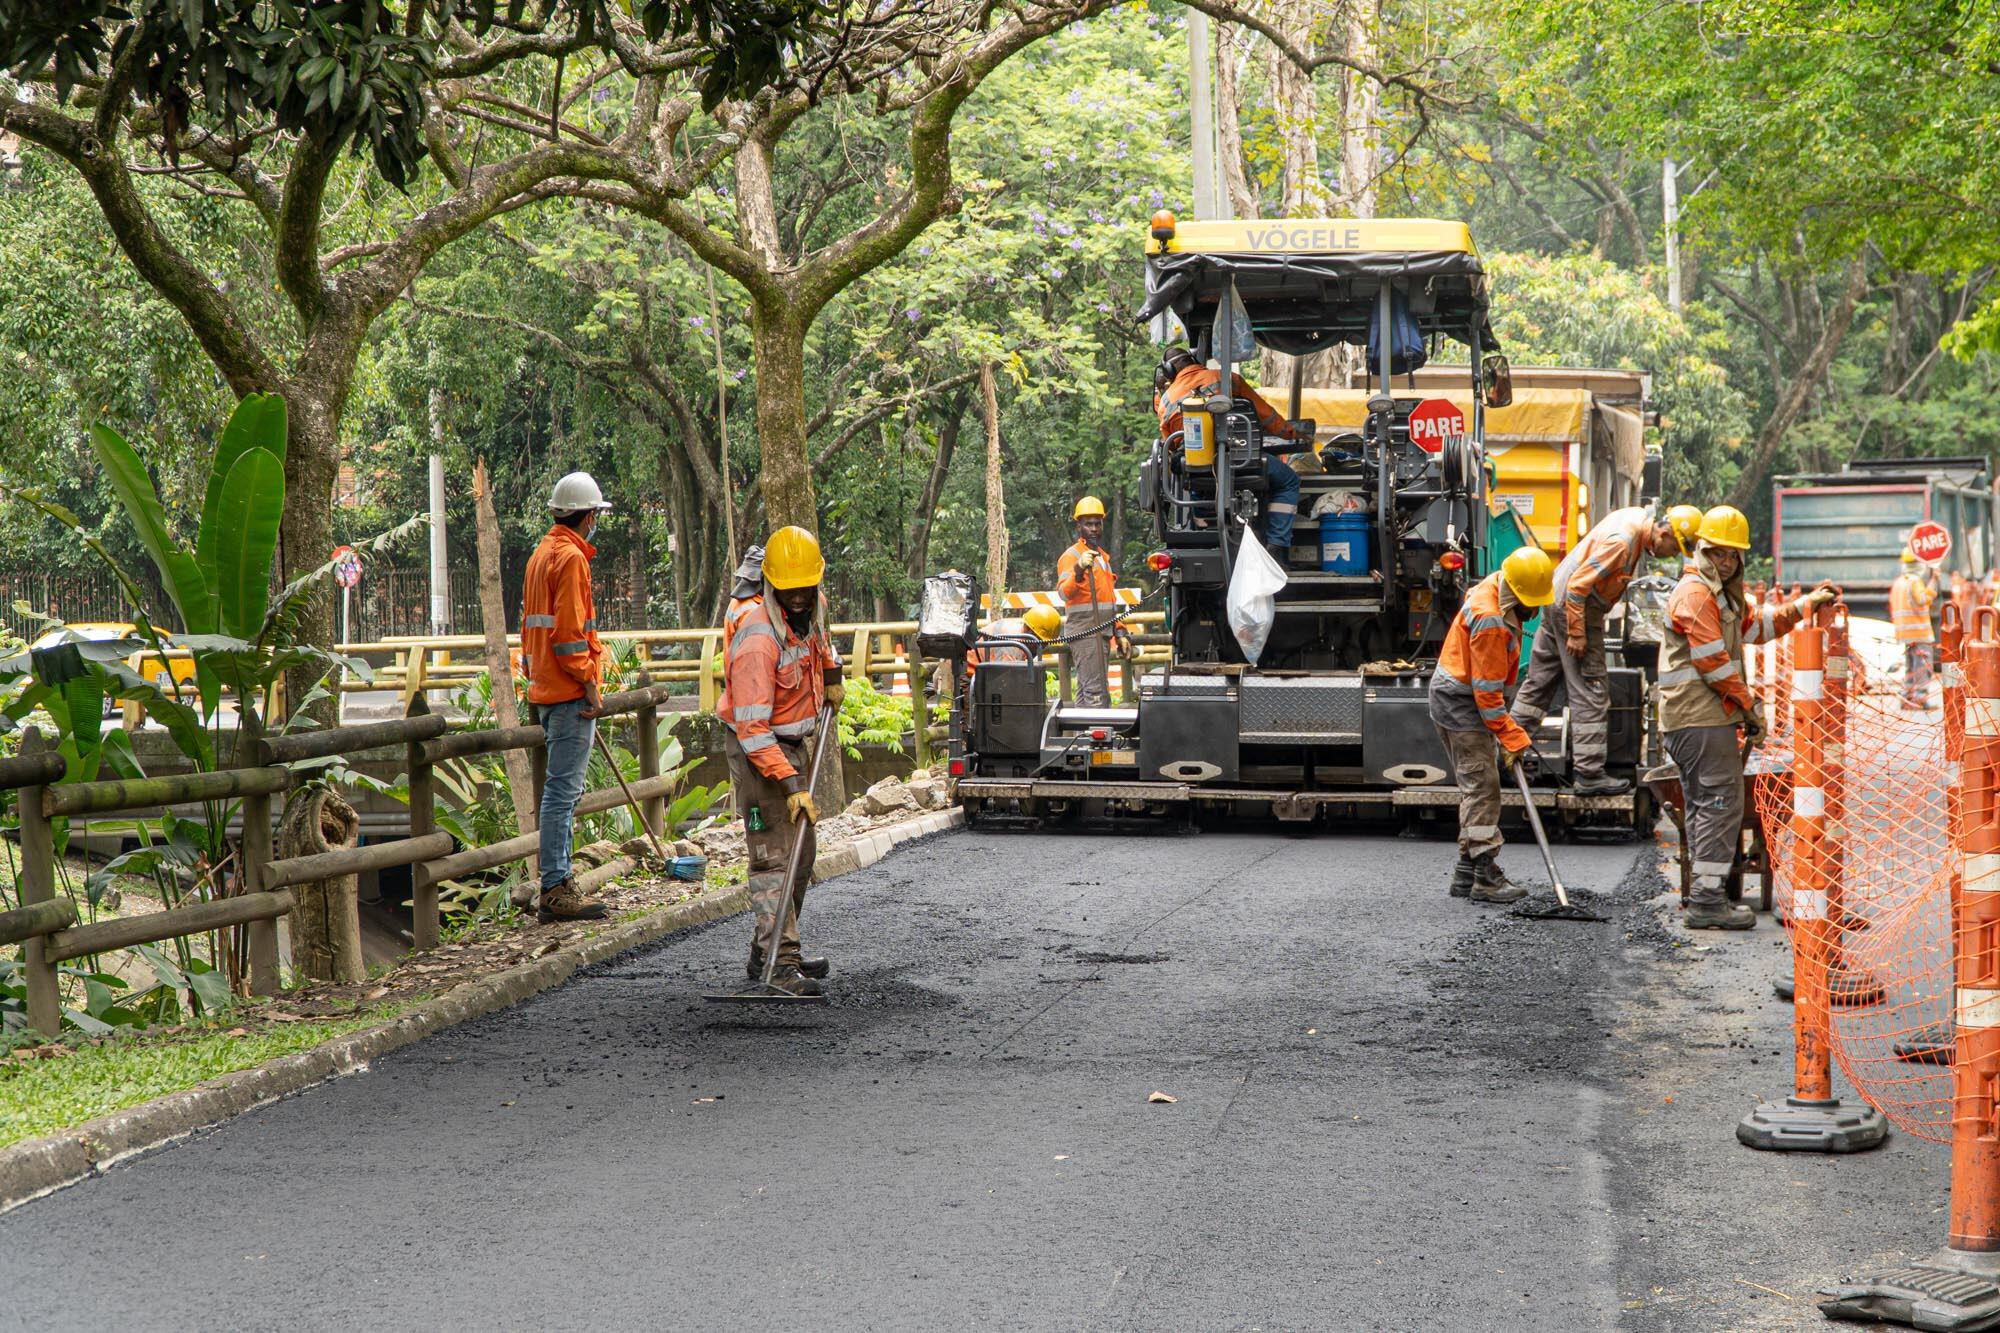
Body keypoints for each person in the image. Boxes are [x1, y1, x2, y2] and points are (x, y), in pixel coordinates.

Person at [1660, 504, 1836, 930]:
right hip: (1697, 717)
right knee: (1720, 805)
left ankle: (1707, 893)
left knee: (1708, 805)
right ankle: (1707, 902)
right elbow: (1713, 663)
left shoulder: (1721, 597)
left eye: (1731, 555)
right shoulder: (1696, 594)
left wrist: (1805, 605)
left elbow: (1758, 628)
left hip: (1702, 717)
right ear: (1702, 549)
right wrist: (1749, 705)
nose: (1724, 561)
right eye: (1717, 553)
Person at [717, 526, 844, 996]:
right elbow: (752, 731)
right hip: (757, 754)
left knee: (803, 854)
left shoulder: (813, 603)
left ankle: (765, 950)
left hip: (792, 743)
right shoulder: (756, 639)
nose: (798, 600)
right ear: (771, 584)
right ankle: (780, 965)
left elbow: (822, 639)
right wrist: (791, 785)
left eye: (805, 590)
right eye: (788, 592)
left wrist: (831, 673)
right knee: (774, 856)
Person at [1511, 504, 1705, 795]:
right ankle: (1589, 774)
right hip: (1575, 608)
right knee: (1590, 690)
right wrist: (1577, 632)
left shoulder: (1636, 519)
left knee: (1538, 685)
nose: (1673, 555)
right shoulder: (1622, 544)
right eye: (1675, 548)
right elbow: (1578, 587)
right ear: (1664, 533)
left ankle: (1504, 751)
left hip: (1556, 603)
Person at [1430, 545, 1557, 904]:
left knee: (1477, 785)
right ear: (1515, 594)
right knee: (1482, 787)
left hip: (1463, 696)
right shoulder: (1490, 619)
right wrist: (1512, 735)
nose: (1533, 613)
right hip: (1460, 703)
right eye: (1531, 604)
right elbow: (1486, 696)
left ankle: (1465, 874)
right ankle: (1485, 876)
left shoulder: (1498, 585)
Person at [521, 471, 614, 924]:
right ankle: (555, 887)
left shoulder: (541, 554)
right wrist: (590, 685)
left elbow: (531, 631)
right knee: (562, 793)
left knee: (559, 791)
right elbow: (570, 637)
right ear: (588, 515)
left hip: (545, 688)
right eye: (595, 514)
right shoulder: (572, 560)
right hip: (568, 691)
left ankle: (558, 881)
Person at [1154, 346, 1309, 558]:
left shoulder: (1165, 401)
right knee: (1289, 480)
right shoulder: (1227, 379)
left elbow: (1171, 446)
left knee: (1197, 486)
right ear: (1192, 360)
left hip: (1202, 472)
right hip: (1245, 464)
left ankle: (1207, 529)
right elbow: (1266, 416)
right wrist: (1291, 433)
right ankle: (1276, 546)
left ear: (1169, 370)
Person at [1058, 498, 1121, 707]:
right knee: (1097, 696)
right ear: (1079, 526)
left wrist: (1120, 631)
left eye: (1097, 523)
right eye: (1088, 524)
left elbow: (1108, 600)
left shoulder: (1102, 557)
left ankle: (1081, 738)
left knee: (1087, 695)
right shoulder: (1072, 555)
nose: (1094, 529)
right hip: (1086, 633)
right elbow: (1064, 593)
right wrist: (1078, 569)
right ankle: (1099, 737)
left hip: (1100, 633)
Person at [1890, 548, 1939, 710]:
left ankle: (1907, 697)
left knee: (1910, 666)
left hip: (1904, 633)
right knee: (1922, 666)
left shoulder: (1899, 582)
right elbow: (1923, 599)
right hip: (1919, 631)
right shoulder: (1914, 581)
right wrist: (1933, 583)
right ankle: (1919, 698)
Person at [966, 604, 1062, 672]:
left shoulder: (1021, 640)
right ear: (1029, 630)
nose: (1042, 648)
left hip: (983, 673)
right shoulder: (1011, 645)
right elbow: (1003, 680)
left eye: (1045, 644)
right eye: (1040, 642)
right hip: (969, 672)